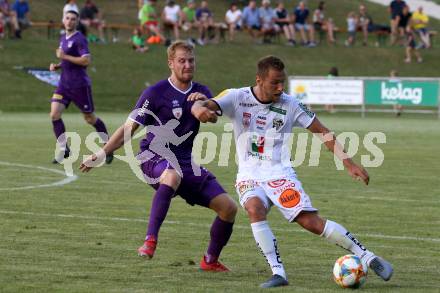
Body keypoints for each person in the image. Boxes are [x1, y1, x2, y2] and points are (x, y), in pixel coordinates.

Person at [191, 56, 393, 288]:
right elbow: (206, 104)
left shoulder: (291, 105)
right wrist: (198, 109)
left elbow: (323, 132)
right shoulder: (237, 97)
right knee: (254, 209)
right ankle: (278, 273)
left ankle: (367, 256)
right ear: (259, 80)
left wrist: (349, 163)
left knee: (310, 222)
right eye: (275, 83)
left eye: (282, 82)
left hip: (279, 174)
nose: (280, 88)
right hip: (249, 175)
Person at [80, 41, 237, 272]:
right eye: (182, 60)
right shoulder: (154, 93)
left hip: (185, 162)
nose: (187, 65)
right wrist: (103, 152)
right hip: (152, 156)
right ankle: (150, 241)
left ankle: (210, 261)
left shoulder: (201, 91)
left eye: (191, 60)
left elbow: (211, 116)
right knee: (171, 175)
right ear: (170, 63)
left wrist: (203, 106)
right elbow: (129, 128)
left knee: (229, 208)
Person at [49, 10, 112, 164]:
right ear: (63, 20)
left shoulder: (80, 39)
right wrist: (58, 65)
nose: (69, 21)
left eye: (73, 19)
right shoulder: (63, 37)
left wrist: (64, 57)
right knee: (54, 114)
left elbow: (85, 61)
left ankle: (108, 147)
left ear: (76, 22)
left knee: (90, 118)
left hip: (79, 86)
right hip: (64, 85)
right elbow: (68, 61)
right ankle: (65, 150)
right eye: (67, 18)